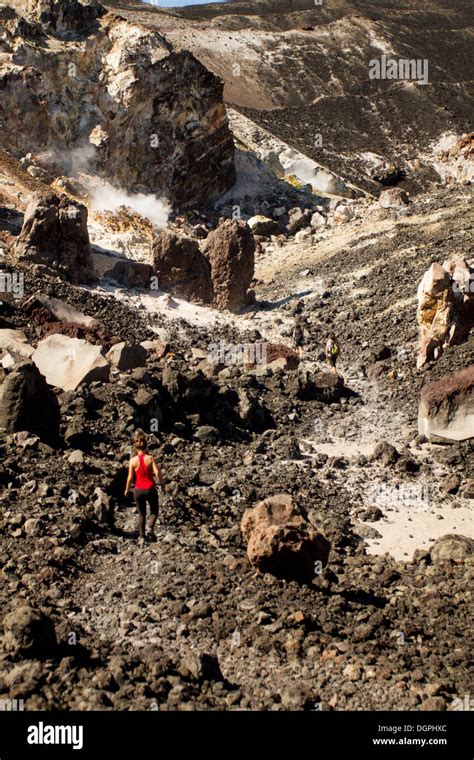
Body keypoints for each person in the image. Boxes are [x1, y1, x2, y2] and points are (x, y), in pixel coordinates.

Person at [124, 432, 166, 547]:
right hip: (150, 489)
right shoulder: (150, 458)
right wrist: (162, 485)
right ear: (146, 446)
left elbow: (130, 478)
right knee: (154, 511)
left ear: (136, 448)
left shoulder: (132, 461)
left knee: (141, 514)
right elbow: (157, 473)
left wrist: (127, 490)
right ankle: (150, 528)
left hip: (138, 490)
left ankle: (142, 537)